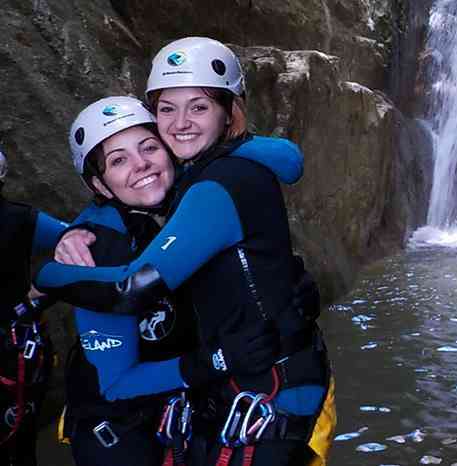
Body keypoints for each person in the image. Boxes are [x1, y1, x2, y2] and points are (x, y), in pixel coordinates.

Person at [37, 38, 334, 466]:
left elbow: (283, 159)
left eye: (149, 147)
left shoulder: (196, 190)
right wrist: (46, 273)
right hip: (121, 433)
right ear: (100, 186)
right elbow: (117, 372)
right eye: (118, 161)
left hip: (217, 405)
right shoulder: (96, 248)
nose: (140, 164)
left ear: (227, 112)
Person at [0, 145, 68, 465]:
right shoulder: (21, 218)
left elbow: (81, 246)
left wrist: (38, 294)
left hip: (12, 350)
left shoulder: (20, 219)